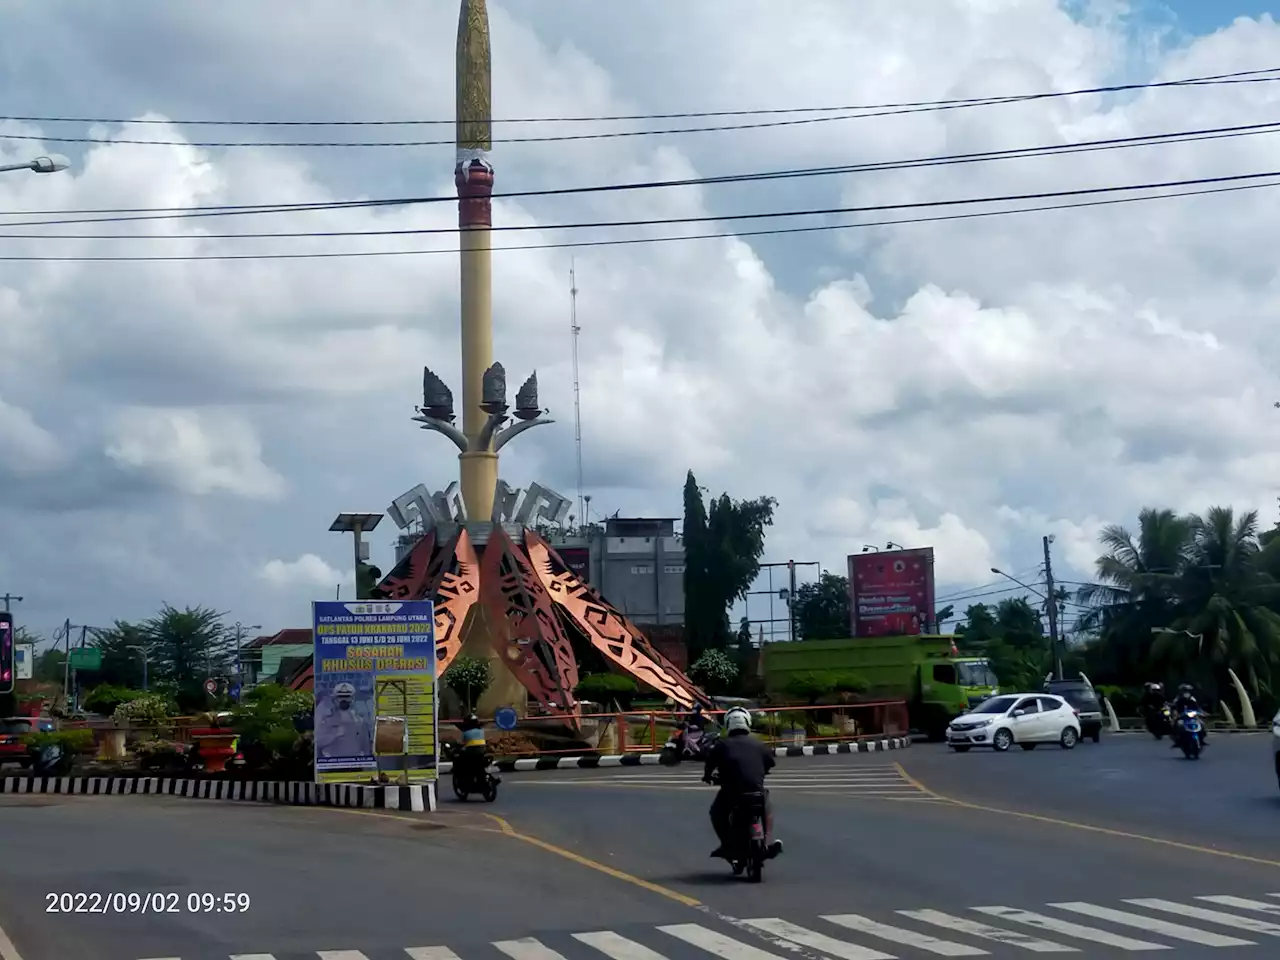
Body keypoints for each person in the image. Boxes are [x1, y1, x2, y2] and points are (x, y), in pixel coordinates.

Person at [702, 706, 783, 860]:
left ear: (728, 724)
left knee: (716, 814)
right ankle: (767, 842)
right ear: (748, 722)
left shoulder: (722, 745)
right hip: (757, 793)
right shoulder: (759, 745)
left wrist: (707, 776)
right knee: (766, 808)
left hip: (732, 794)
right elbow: (770, 763)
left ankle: (727, 844)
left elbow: (709, 764)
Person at [454, 712, 488, 780]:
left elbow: (463, 743)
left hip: (471, 752)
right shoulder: (481, 731)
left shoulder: (466, 732)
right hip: (482, 751)